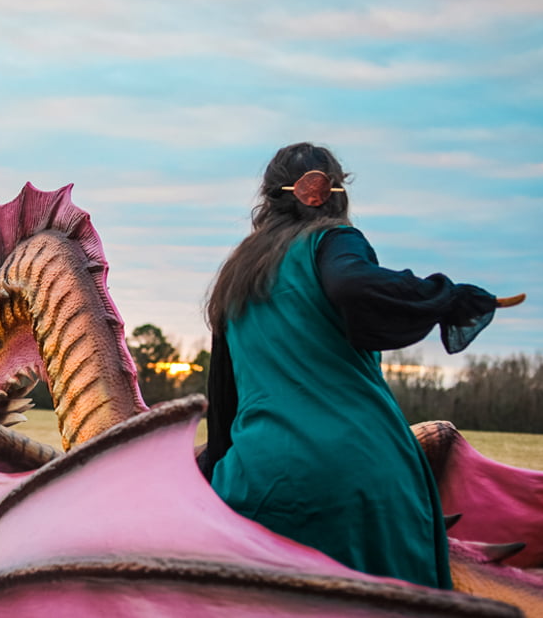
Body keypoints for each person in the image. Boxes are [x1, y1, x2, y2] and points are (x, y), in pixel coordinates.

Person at [200, 142, 522, 590]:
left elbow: (223, 402)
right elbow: (351, 283)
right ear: (333, 193)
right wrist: (445, 297)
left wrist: (212, 478)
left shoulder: (237, 273)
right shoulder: (333, 239)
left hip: (256, 478)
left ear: (270, 195)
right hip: (359, 474)